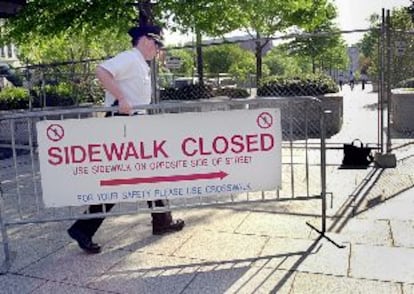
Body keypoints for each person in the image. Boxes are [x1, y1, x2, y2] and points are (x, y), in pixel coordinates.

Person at [67, 25, 185, 254]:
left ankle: (162, 221)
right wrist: (122, 98)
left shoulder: (139, 62)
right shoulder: (130, 58)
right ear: (147, 41)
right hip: (123, 125)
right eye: (157, 44)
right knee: (123, 178)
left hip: (133, 125)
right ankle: (83, 228)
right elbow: (101, 71)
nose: (158, 48)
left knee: (149, 172)